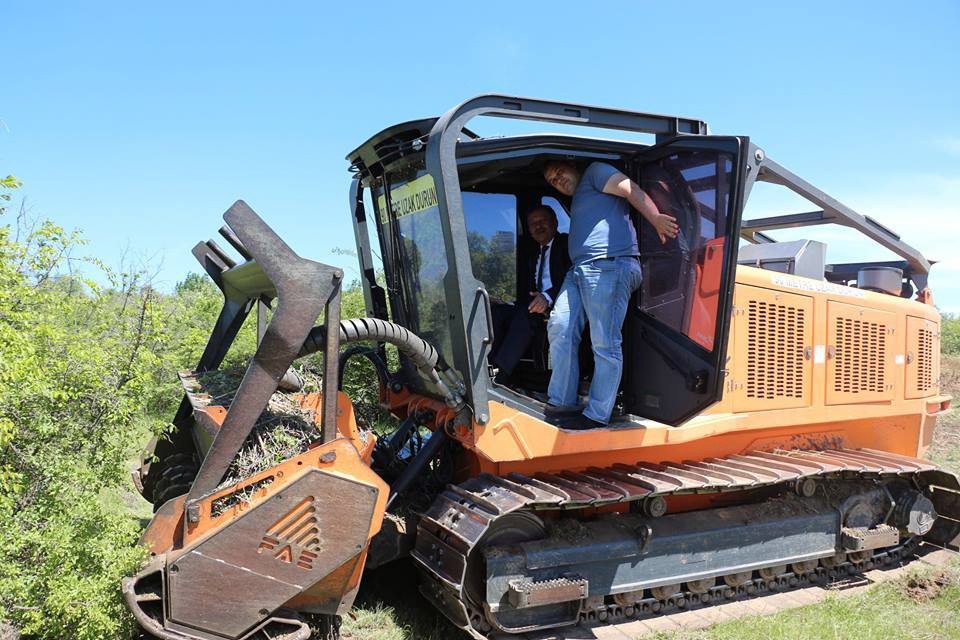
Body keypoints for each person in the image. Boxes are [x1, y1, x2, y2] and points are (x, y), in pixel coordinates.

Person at [542, 160, 678, 429]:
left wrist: (656, 218)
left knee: (604, 343)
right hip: (580, 269)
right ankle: (563, 402)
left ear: (573, 165)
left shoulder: (594, 172)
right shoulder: (580, 199)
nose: (557, 179)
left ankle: (596, 414)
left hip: (609, 264)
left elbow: (630, 188)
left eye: (559, 172)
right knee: (560, 326)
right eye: (552, 180)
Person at [489, 205, 571, 384]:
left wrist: (547, 297)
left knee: (524, 318)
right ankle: (486, 369)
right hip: (533, 305)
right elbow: (527, 292)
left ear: (555, 223)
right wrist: (504, 302)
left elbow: (572, 278)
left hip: (560, 305)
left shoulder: (566, 245)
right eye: (533, 224)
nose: (538, 226)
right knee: (496, 313)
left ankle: (499, 375)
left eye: (542, 221)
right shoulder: (533, 253)